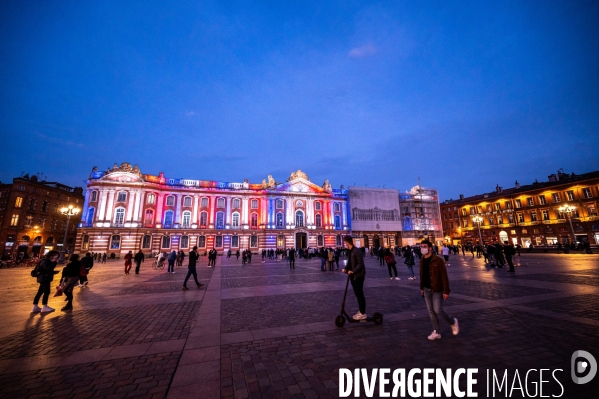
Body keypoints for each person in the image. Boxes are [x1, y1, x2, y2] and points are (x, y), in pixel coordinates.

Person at [419, 239, 459, 340]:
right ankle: (436, 331)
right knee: (431, 311)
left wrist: (446, 291)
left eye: (424, 246)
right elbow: (422, 275)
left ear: (430, 248)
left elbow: (444, 276)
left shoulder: (438, 260)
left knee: (438, 310)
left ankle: (452, 322)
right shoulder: (422, 260)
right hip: (426, 289)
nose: (422, 248)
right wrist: (421, 288)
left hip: (437, 289)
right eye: (421, 246)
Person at [341, 235, 367, 320]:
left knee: (360, 294)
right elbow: (350, 263)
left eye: (345, 242)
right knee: (357, 294)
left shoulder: (356, 251)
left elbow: (360, 264)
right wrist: (345, 268)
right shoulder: (350, 251)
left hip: (358, 276)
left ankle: (363, 313)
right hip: (353, 276)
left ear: (348, 242)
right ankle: (361, 311)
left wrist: (353, 271)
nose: (344, 244)